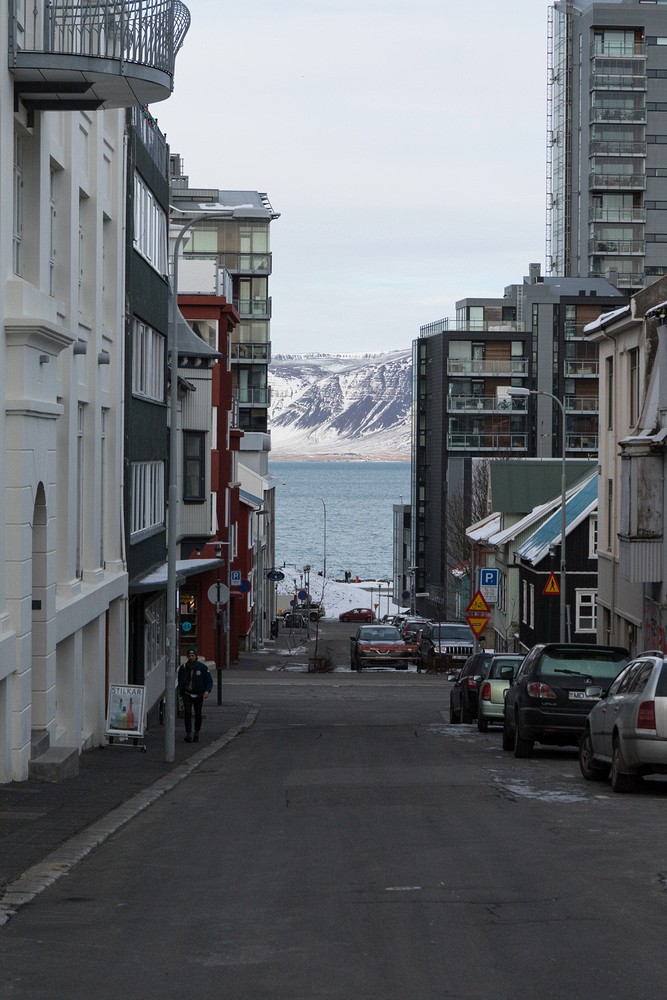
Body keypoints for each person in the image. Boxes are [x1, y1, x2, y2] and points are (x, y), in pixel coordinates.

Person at [177, 647, 213, 743]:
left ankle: (196, 732)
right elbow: (180, 680)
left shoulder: (202, 668)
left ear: (196, 656)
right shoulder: (183, 668)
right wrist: (180, 691)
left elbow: (209, 681)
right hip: (187, 693)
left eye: (193, 656)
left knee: (198, 714)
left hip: (198, 694)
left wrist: (207, 691)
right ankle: (188, 733)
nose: (191, 657)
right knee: (187, 713)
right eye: (189, 656)